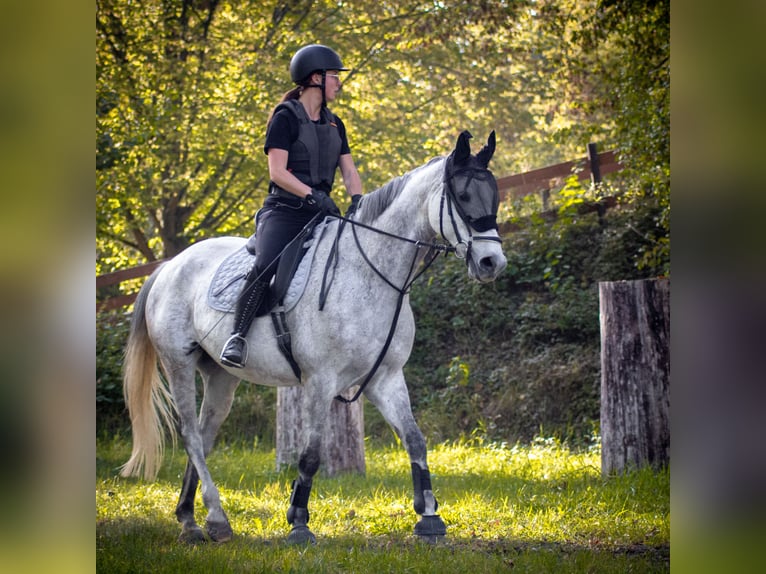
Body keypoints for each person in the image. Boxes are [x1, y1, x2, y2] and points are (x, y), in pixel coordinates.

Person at [220, 44, 363, 368]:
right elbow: (277, 172)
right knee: (265, 264)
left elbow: (349, 170)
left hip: (323, 212)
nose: (339, 83)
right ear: (315, 78)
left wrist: (357, 200)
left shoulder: (335, 123)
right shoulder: (285, 118)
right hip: (284, 210)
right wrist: (311, 194)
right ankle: (237, 336)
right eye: (333, 77)